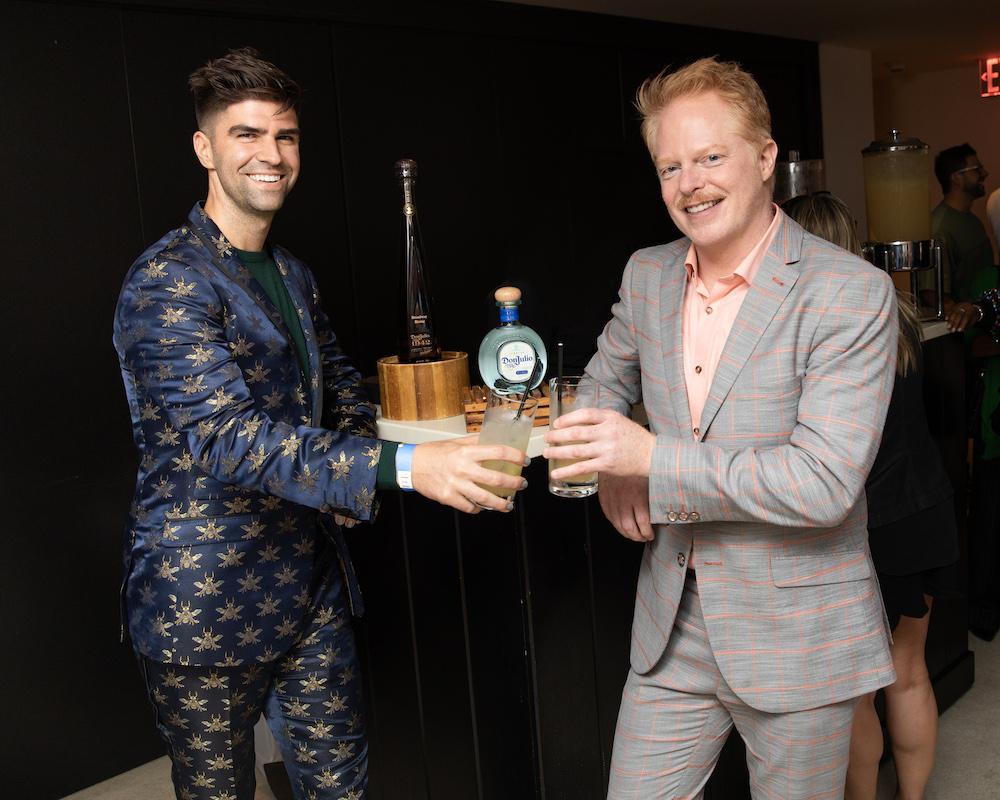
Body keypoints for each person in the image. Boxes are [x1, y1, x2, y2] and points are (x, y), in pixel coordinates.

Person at [112, 48, 527, 800]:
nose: (271, 154)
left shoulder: (292, 272)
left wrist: (464, 430)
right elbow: (226, 437)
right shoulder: (165, 281)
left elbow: (338, 394)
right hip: (201, 600)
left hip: (307, 586)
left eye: (287, 135)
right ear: (205, 148)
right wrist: (406, 470)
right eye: (246, 134)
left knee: (341, 786)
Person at [544, 57, 898, 798]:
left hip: (799, 634)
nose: (690, 183)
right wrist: (609, 464)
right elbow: (603, 384)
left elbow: (823, 482)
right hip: (673, 627)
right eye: (670, 166)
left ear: (765, 159)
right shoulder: (647, 274)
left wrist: (648, 459)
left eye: (710, 157)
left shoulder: (849, 293)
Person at [782, 192, 959, 800]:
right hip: (925, 509)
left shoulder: (806, 324)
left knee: (854, 691)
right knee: (909, 674)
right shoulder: (896, 308)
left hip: (863, 525)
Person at [922, 143, 993, 308]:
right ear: (956, 178)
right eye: (977, 169)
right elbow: (931, 294)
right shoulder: (939, 229)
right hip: (967, 331)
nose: (985, 174)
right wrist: (963, 316)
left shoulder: (971, 219)